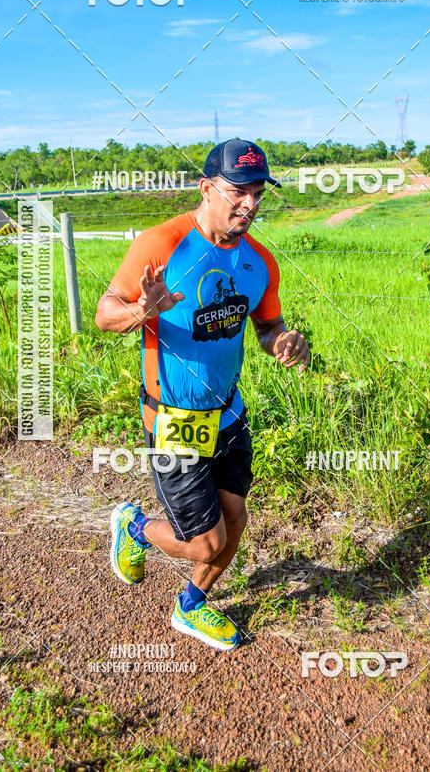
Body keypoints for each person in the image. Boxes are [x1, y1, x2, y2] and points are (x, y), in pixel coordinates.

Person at [95, 138, 310, 651]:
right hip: (173, 417)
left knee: (235, 519)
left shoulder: (260, 261)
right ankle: (136, 527)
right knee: (205, 541)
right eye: (239, 191)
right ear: (207, 188)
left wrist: (281, 340)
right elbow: (105, 314)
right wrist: (142, 312)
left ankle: (190, 606)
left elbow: (266, 326)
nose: (250, 205)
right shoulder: (161, 244)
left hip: (229, 410)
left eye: (258, 194)